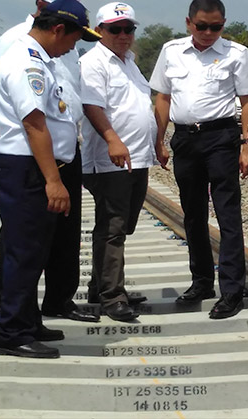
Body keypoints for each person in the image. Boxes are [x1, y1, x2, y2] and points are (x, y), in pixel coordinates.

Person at [0, 0, 101, 358]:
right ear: (57, 30)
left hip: (35, 167)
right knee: (24, 252)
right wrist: (54, 181)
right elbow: (34, 123)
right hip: (28, 170)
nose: (74, 47)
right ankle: (10, 333)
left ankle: (27, 320)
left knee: (35, 250)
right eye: (74, 39)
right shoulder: (26, 62)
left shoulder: (39, 58)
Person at [149, 0, 248, 319]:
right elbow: (163, 97)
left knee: (227, 214)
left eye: (216, 27)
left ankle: (232, 290)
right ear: (188, 23)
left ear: (224, 25)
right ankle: (201, 282)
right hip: (185, 139)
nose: (209, 32)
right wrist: (159, 139)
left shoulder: (236, 54)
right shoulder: (171, 51)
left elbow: (247, 100)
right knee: (193, 215)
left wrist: (247, 145)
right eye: (202, 26)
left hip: (221, 138)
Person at [79, 2, 156, 322]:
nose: (124, 35)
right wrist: (112, 139)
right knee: (112, 227)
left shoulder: (130, 62)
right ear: (100, 31)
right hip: (110, 161)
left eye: (129, 29)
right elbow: (92, 106)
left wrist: (156, 144)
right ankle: (112, 296)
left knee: (124, 225)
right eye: (116, 29)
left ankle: (101, 286)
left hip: (137, 158)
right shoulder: (94, 62)